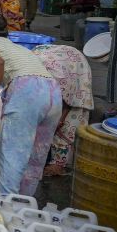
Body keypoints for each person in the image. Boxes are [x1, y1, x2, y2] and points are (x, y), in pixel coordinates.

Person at [0, 14, 62, 196]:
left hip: (28, 93)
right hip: (53, 92)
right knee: (36, 157)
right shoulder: (16, 47)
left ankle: (4, 206)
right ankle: (23, 204)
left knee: (14, 155)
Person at [32, 44, 93, 177]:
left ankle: (58, 164)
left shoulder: (59, 78)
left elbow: (67, 99)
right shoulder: (26, 75)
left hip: (74, 65)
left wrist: (61, 118)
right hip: (53, 57)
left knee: (69, 122)